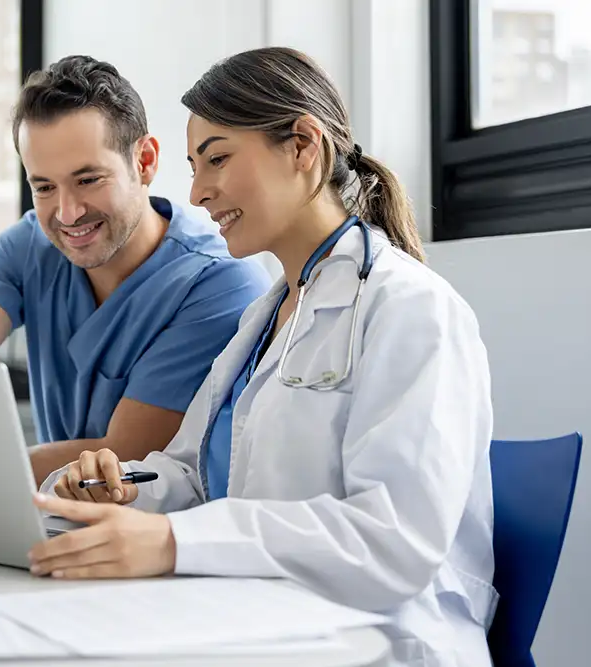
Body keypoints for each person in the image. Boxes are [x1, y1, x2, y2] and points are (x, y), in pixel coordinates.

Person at [30, 47, 496, 667]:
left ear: (303, 145)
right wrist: (116, 493)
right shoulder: (266, 315)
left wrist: (171, 541)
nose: (197, 191)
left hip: (379, 640)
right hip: (259, 618)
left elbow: (395, 542)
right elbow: (196, 475)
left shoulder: (411, 309)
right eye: (195, 166)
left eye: (218, 158)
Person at [0, 55, 271, 487]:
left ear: (146, 161)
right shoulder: (30, 246)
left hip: (155, 533)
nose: (67, 213)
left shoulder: (219, 283)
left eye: (88, 180)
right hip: (47, 518)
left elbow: (123, 451)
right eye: (43, 187)